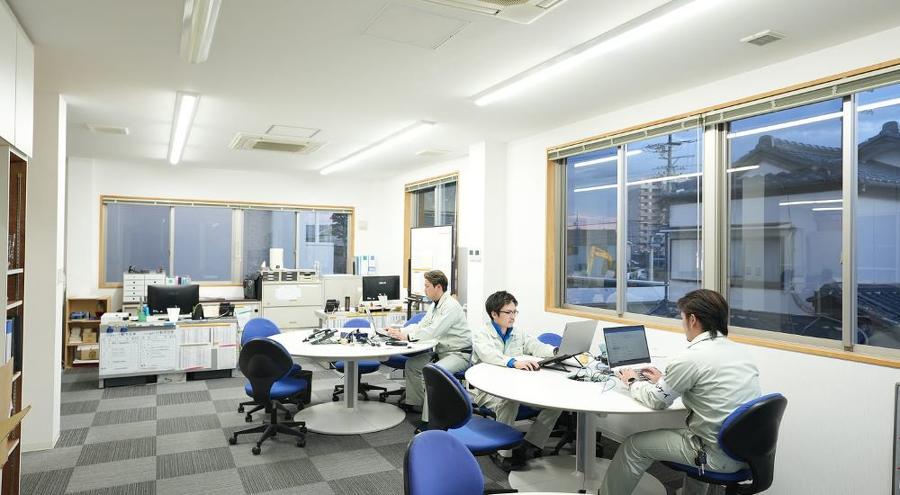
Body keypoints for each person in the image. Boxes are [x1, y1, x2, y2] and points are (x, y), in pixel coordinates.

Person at [599, 289, 761, 495]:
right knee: (694, 434)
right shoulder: (739, 351)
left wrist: (631, 380)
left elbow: (656, 400)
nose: (682, 324)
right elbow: (709, 387)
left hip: (714, 454)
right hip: (744, 453)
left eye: (682, 318)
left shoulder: (692, 357)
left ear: (692, 320)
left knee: (632, 446)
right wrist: (664, 380)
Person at [472, 290, 562, 471]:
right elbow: (490, 354)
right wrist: (514, 362)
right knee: (508, 403)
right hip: (488, 390)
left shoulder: (518, 332)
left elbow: (535, 346)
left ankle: (531, 443)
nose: (513, 316)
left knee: (557, 403)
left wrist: (556, 351)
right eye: (508, 312)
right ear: (494, 314)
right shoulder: (482, 334)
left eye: (514, 312)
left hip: (518, 387)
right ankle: (503, 453)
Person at [386, 270, 471, 430]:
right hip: (442, 352)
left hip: (458, 354)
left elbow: (433, 331)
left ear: (438, 287)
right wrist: (399, 331)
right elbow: (421, 326)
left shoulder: (451, 306)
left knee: (433, 373)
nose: (424, 290)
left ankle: (429, 422)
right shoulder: (435, 305)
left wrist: (407, 336)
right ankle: (417, 404)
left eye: (427, 286)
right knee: (412, 364)